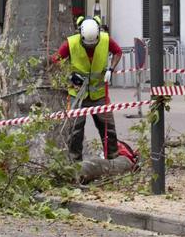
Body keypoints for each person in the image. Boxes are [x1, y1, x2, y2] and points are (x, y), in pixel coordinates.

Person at [52, 17, 138, 166]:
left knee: (108, 128)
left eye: (93, 45)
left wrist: (111, 69)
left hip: (99, 94)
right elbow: (55, 59)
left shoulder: (105, 40)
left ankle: (113, 159)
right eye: (87, 46)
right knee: (75, 130)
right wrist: (69, 75)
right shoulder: (71, 43)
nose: (90, 48)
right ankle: (75, 163)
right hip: (77, 94)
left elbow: (117, 52)